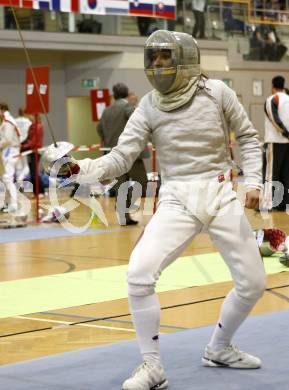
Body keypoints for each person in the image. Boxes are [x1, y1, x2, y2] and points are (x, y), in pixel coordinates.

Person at [45, 31, 266, 389]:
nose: (158, 64)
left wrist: (254, 181)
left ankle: (220, 347)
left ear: (186, 59)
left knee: (253, 283)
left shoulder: (218, 93)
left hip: (222, 193)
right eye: (154, 58)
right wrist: (78, 170)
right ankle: (152, 367)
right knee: (139, 274)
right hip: (178, 197)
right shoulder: (148, 104)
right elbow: (120, 157)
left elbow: (248, 138)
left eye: (165, 57)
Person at [97, 82, 148, 225]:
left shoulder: (106, 110)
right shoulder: (128, 107)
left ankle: (124, 214)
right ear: (126, 94)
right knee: (142, 182)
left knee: (121, 185)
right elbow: (138, 123)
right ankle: (123, 205)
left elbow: (99, 128)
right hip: (131, 154)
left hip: (113, 155)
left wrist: (107, 140)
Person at [263, 75, 289, 211]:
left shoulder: (272, 99)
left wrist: (285, 133)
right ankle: (283, 203)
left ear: (273, 87)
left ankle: (267, 202)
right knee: (285, 174)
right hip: (287, 143)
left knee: (271, 173)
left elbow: (273, 118)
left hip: (275, 141)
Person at [0, 103, 21, 212]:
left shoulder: (7, 121)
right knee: (6, 178)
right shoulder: (8, 120)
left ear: (2, 110)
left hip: (10, 150)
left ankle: (13, 205)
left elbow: (7, 139)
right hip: (10, 150)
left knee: (7, 178)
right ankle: (6, 204)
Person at [21, 114, 45, 197]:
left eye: (30, 115)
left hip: (36, 151)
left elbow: (34, 141)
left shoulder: (38, 126)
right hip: (30, 152)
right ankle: (35, 192)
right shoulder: (31, 126)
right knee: (32, 173)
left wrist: (22, 147)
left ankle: (41, 191)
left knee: (35, 173)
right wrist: (20, 144)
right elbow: (27, 139)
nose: (28, 116)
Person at [15, 108, 32, 181]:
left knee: (18, 166)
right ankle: (20, 178)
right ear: (25, 113)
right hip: (25, 145)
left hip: (16, 145)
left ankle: (19, 184)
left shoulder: (15, 121)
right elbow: (31, 133)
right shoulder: (28, 122)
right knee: (26, 166)